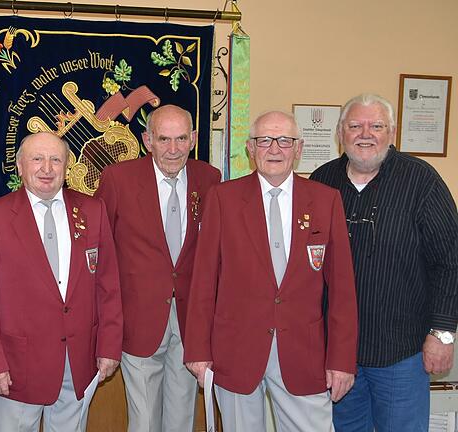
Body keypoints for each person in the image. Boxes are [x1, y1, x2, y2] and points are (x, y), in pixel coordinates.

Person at [184, 111, 358, 432]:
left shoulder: (325, 201)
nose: (274, 149)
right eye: (264, 140)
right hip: (235, 351)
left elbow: (343, 291)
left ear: (299, 148)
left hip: (303, 353)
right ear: (251, 148)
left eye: (284, 141)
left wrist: (342, 360)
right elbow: (203, 281)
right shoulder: (223, 199)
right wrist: (197, 350)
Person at [310, 94, 458, 431]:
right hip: (338, 357)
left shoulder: (422, 181)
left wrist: (443, 334)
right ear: (340, 133)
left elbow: (451, 259)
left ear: (391, 132)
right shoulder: (322, 182)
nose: (366, 134)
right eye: (355, 126)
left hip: (401, 354)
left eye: (376, 126)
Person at [0, 132, 123, 432]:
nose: (47, 168)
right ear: (20, 166)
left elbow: (109, 287)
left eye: (55, 160)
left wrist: (109, 347)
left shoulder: (92, 211)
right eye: (37, 159)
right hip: (16, 368)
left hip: (79, 362)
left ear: (67, 167)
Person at [94, 104, 220, 431]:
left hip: (191, 321)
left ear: (193, 139)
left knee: (182, 417)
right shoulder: (118, 179)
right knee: (145, 419)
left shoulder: (210, 179)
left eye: (181, 139)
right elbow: (98, 249)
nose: (173, 149)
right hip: (139, 319)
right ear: (147, 140)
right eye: (164, 139)